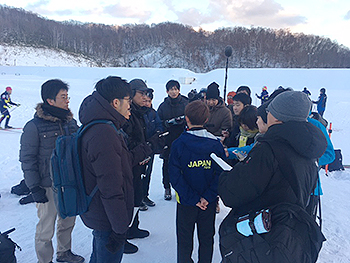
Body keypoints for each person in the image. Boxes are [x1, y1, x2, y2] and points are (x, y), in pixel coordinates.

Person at [218, 91, 327, 263]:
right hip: (286, 239)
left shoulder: (268, 149)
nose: (265, 114)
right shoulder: (308, 151)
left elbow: (232, 194)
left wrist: (226, 177)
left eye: (269, 111)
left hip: (259, 238)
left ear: (277, 116)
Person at [78, 76, 153, 262]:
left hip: (103, 214)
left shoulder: (103, 126)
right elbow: (110, 186)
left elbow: (120, 160)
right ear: (116, 102)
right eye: (128, 100)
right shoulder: (104, 133)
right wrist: (120, 229)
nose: (129, 106)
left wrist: (144, 149)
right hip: (108, 219)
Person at [19, 79, 84, 263]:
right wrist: (34, 188)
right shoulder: (34, 126)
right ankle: (44, 260)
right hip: (47, 186)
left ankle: (64, 253)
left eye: (67, 96)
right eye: (63, 97)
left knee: (68, 221)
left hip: (69, 183)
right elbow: (27, 159)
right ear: (50, 101)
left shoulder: (71, 122)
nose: (67, 101)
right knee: (45, 230)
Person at [169, 100, 226, 263]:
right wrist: (207, 197)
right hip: (208, 202)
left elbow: (174, 175)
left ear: (186, 118)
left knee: (184, 239)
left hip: (186, 202)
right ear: (207, 119)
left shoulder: (178, 144)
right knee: (207, 237)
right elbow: (220, 174)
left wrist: (193, 198)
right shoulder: (216, 144)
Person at [122, 78, 164, 254]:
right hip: (131, 162)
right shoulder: (128, 115)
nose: (145, 96)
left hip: (141, 160)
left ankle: (133, 227)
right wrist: (147, 146)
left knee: (138, 195)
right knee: (128, 199)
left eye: (146, 93)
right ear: (131, 95)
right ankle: (122, 236)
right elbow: (128, 141)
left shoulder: (141, 112)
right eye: (141, 93)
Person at [157, 80, 189, 200]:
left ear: (179, 90)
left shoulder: (186, 103)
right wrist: (167, 123)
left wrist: (183, 121)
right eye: (171, 89)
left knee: (184, 164)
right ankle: (167, 187)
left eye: (176, 89)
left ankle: (181, 188)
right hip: (168, 139)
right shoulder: (163, 106)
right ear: (167, 91)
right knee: (167, 164)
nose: (174, 91)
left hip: (183, 138)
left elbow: (192, 117)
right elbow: (158, 121)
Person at [142, 89, 163, 207]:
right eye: (144, 100)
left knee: (148, 173)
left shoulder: (153, 113)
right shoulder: (138, 113)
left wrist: (158, 133)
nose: (146, 103)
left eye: (148, 101)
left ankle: (145, 195)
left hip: (150, 148)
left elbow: (159, 125)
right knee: (139, 175)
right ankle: (138, 198)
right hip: (140, 148)